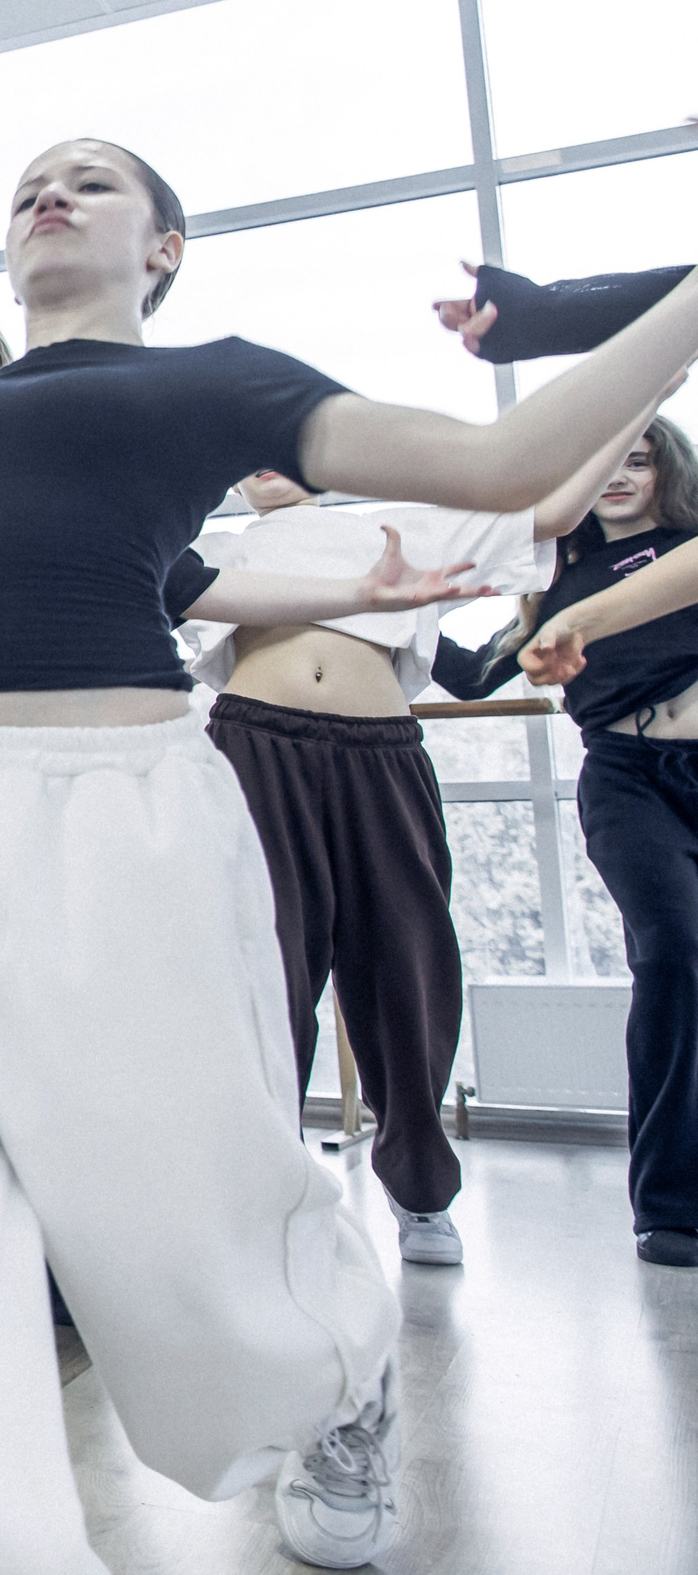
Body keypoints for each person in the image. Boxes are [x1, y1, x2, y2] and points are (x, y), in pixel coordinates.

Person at [0, 140, 694, 1572]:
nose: (53, 190)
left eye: (94, 180)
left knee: (171, 1200)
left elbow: (505, 464)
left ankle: (330, 1375)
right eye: (35, 178)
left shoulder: (217, 378)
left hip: (104, 807)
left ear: (162, 246)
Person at [185, 441, 635, 1268]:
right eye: (244, 454)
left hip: (380, 753)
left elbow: (556, 509)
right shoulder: (214, 550)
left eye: (282, 447)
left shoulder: (397, 528)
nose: (262, 463)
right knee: (262, 973)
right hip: (253, 753)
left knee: (407, 962)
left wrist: (650, 375)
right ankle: (262, 1196)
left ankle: (420, 1188)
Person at [434, 412, 698, 1270]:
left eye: (641, 458)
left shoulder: (689, 549)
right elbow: (474, 679)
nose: (621, 474)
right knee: (673, 955)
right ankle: (669, 1209)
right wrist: (387, 600)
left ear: (669, 469)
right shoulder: (561, 584)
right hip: (626, 782)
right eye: (604, 460)